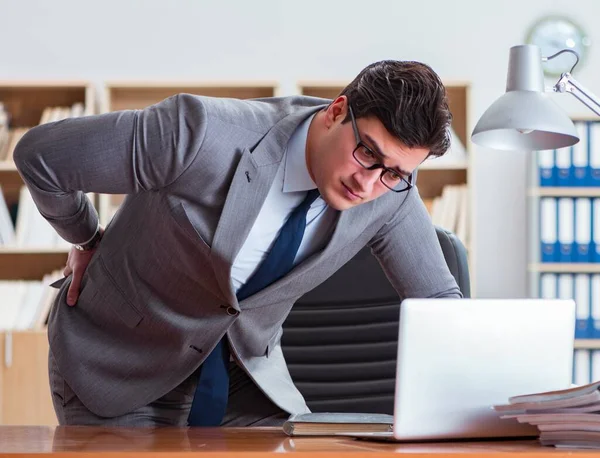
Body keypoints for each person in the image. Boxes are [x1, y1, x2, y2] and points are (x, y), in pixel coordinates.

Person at [13, 59, 462, 427]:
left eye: (395, 173)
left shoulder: (393, 192)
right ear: (336, 111)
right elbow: (43, 156)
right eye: (368, 153)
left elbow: (439, 301)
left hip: (244, 382)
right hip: (121, 366)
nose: (368, 184)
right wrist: (87, 237)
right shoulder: (199, 133)